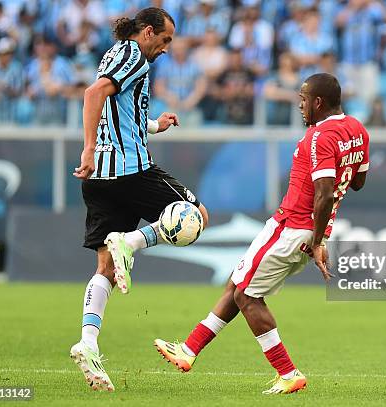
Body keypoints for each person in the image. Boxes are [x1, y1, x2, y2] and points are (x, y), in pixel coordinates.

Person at [153, 73, 370, 395]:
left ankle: (288, 373)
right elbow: (357, 182)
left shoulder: (319, 137)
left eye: (303, 100)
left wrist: (319, 239)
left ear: (318, 102)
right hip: (299, 228)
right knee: (239, 281)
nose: (299, 106)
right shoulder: (357, 130)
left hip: (292, 227)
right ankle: (189, 350)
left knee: (247, 296)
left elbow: (324, 193)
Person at [69, 7, 209, 392]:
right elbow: (94, 93)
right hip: (131, 171)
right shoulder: (134, 56)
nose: (165, 49)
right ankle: (131, 242)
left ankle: (88, 342)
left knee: (105, 269)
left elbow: (118, 111)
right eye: (163, 41)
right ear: (147, 32)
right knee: (197, 215)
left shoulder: (113, 54)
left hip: (100, 180)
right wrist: (87, 149)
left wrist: (154, 125)